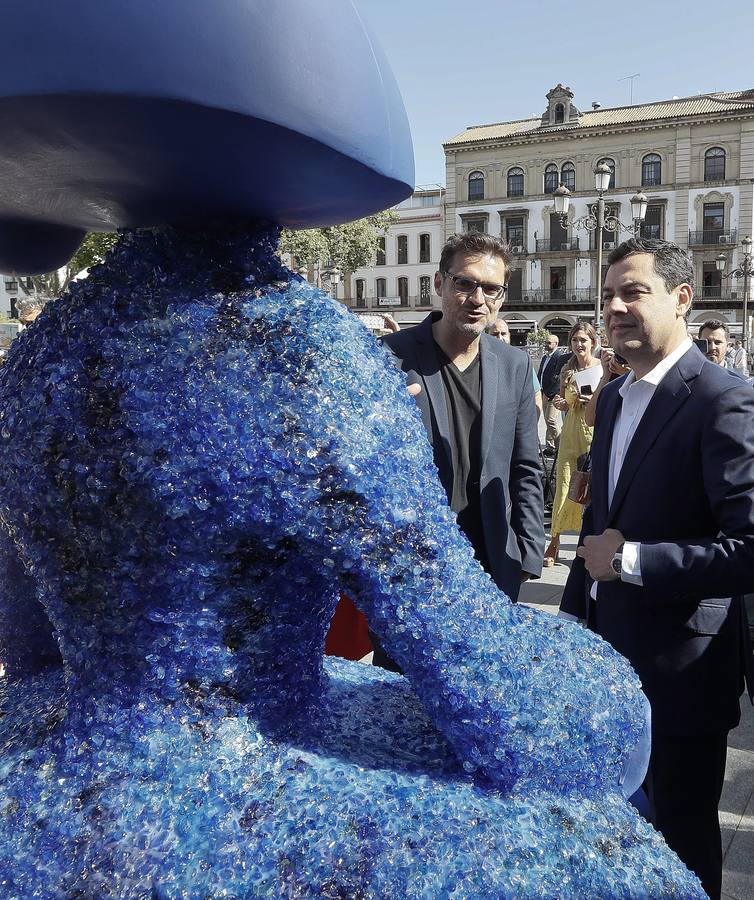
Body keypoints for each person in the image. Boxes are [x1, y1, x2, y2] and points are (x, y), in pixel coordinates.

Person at [559, 237, 754, 900]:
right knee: (614, 835)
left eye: (632, 292)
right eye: (608, 294)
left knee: (680, 842)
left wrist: (633, 560)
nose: (614, 306)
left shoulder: (722, 398)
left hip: (683, 676)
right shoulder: (612, 398)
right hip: (606, 660)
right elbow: (598, 533)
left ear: (682, 298)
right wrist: (572, 631)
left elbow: (749, 547)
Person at [381, 231, 544, 602]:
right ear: (439, 282)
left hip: (493, 559)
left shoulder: (514, 364)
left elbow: (526, 466)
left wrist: (528, 552)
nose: (478, 299)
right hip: (412, 564)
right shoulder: (389, 357)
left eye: (492, 289)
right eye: (465, 283)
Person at [543, 321, 601, 566]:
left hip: (594, 434)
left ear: (592, 342)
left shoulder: (602, 369)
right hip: (569, 435)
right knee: (564, 486)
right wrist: (562, 404)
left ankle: (587, 542)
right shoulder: (567, 368)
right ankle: (553, 543)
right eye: (575, 340)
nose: (579, 344)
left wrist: (593, 401)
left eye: (583, 340)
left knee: (590, 491)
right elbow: (566, 402)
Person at [487, 317, 542, 419]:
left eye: (503, 334)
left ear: (509, 336)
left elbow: (536, 395)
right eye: (494, 334)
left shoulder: (522, 361)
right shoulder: (479, 361)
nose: (499, 338)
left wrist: (532, 425)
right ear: (487, 336)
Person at [537, 334, 570, 455]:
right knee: (547, 420)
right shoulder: (545, 357)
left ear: (556, 343)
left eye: (549, 343)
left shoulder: (559, 357)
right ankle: (550, 447)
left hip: (554, 394)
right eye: (546, 342)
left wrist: (549, 393)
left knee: (550, 420)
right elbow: (541, 374)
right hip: (543, 392)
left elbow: (558, 379)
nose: (546, 344)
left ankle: (560, 446)